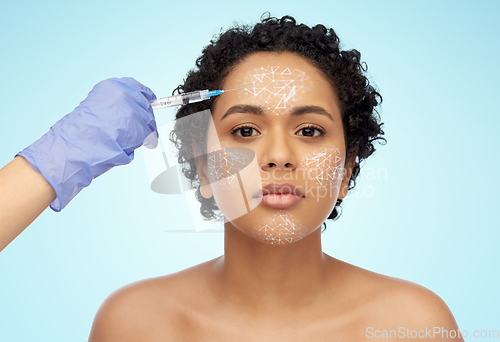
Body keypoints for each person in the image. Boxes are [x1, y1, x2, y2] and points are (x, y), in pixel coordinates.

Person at [0, 14, 463, 341]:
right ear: (202, 165)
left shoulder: (415, 325)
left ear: (346, 171)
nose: (279, 156)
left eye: (309, 130)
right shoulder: (134, 324)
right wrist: (52, 159)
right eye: (245, 130)